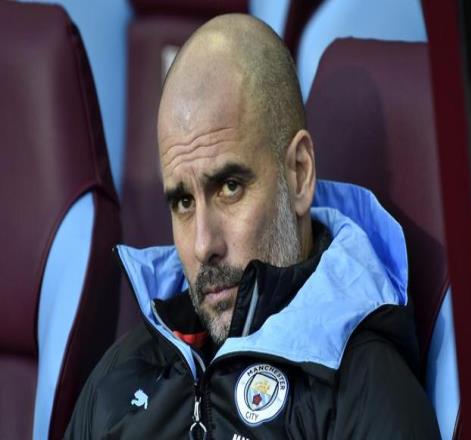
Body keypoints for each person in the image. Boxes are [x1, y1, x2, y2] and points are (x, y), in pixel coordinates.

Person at [65, 14, 440, 439]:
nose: (204, 244)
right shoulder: (121, 376)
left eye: (229, 187)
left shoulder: (363, 390)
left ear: (299, 174)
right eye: (183, 202)